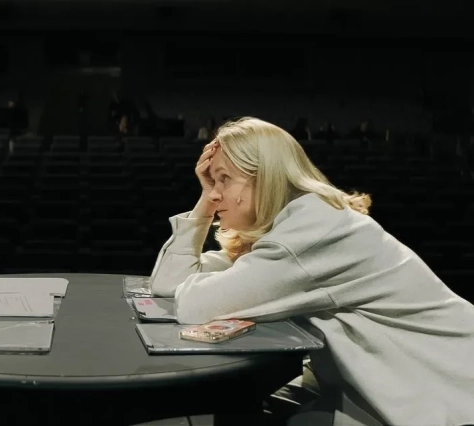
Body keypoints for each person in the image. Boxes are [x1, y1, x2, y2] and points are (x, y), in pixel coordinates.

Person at [149, 117, 474, 426]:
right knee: (240, 405)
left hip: (446, 395)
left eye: (224, 179)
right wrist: (205, 204)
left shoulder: (313, 230)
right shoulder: (286, 228)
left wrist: (199, 274)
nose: (214, 192)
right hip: (375, 385)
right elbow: (168, 284)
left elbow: (196, 306)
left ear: (267, 177)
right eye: (211, 181)